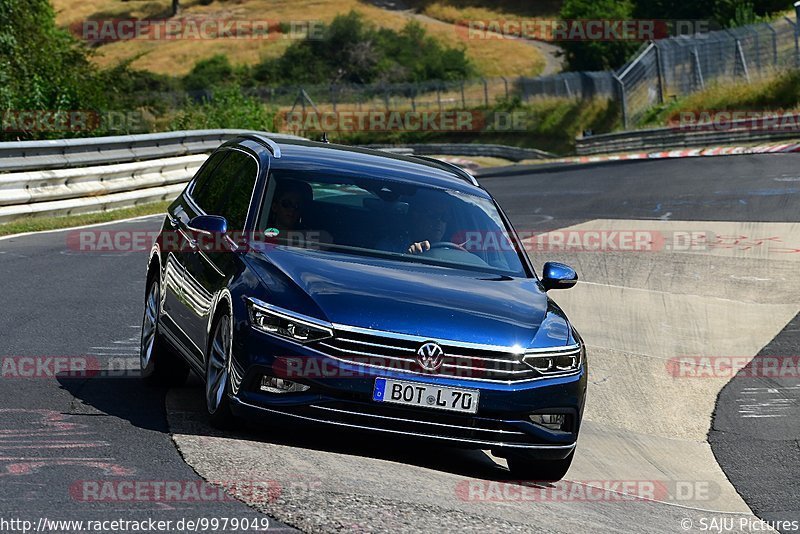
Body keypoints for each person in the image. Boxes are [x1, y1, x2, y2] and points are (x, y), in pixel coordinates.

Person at [377, 195, 453, 255]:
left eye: (445, 217)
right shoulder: (390, 247)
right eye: (434, 215)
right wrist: (407, 257)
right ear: (416, 216)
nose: (439, 222)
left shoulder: (453, 253)